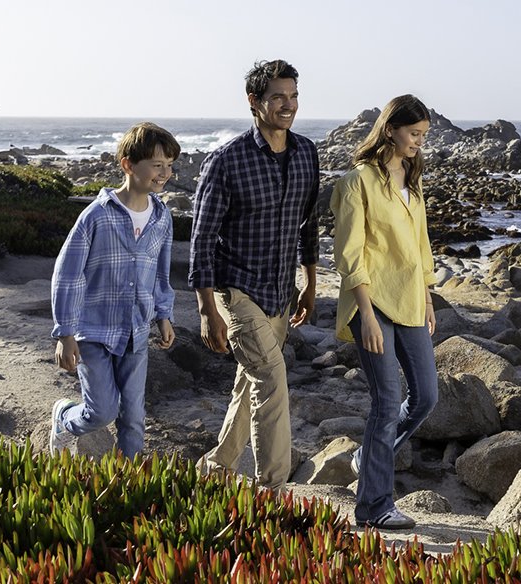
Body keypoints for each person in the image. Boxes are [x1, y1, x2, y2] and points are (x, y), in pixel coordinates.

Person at [190, 60, 320, 488]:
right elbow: (202, 240)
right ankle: (273, 491)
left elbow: (308, 223)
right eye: (278, 97)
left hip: (281, 291)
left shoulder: (306, 154)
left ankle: (215, 469)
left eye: (293, 95)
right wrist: (208, 309)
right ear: (255, 102)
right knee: (272, 380)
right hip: (237, 290)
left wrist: (310, 283)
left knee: (250, 386)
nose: (288, 105)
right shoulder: (226, 162)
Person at [331, 94, 439, 530]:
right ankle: (374, 507)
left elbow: (421, 244)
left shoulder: (412, 178)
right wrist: (366, 313)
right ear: (391, 128)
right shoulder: (357, 182)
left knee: (426, 396)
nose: (418, 142)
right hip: (370, 303)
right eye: (414, 134)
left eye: (423, 136)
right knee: (386, 400)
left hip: (410, 300)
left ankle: (365, 457)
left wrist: (428, 297)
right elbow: (350, 251)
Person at [48, 122, 180, 458]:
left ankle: (129, 482)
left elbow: (161, 274)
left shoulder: (162, 217)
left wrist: (163, 315)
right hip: (93, 331)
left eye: (169, 166)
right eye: (156, 165)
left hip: (136, 332)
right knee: (102, 411)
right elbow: (68, 274)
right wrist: (65, 334)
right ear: (128, 164)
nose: (164, 173)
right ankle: (65, 419)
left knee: (134, 418)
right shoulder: (96, 216)